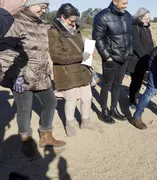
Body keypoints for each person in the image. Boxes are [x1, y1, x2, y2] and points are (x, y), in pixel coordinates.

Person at [0, 0, 66, 156]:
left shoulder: (40, 23)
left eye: (46, 7)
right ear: (29, 4)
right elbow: (5, 53)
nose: (44, 10)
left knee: (51, 103)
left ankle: (46, 136)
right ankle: (26, 140)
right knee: (24, 109)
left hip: (41, 74)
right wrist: (16, 76)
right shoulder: (15, 21)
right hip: (21, 77)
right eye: (41, 6)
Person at [48, 3, 96, 137]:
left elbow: (80, 49)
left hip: (82, 69)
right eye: (72, 20)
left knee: (87, 98)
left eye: (76, 20)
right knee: (71, 99)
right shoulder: (53, 32)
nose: (74, 23)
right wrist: (80, 56)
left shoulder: (77, 30)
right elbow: (56, 56)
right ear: (62, 17)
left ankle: (85, 121)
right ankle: (70, 125)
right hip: (67, 71)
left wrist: (88, 52)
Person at [92, 0, 133, 124]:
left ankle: (113, 109)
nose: (126, 5)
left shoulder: (128, 15)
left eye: (127, 2)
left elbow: (130, 36)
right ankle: (103, 111)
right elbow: (97, 38)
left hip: (124, 57)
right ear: (115, 1)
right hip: (111, 58)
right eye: (123, 2)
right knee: (106, 84)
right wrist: (106, 56)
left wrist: (130, 51)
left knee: (117, 84)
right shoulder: (102, 16)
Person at [127, 7, 154, 108]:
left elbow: (151, 43)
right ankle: (132, 101)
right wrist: (145, 56)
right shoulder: (135, 27)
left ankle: (135, 98)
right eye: (146, 18)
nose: (148, 20)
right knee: (135, 81)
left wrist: (152, 54)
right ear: (140, 17)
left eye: (149, 18)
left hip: (145, 59)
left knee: (140, 80)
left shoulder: (147, 28)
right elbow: (135, 43)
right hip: (136, 59)